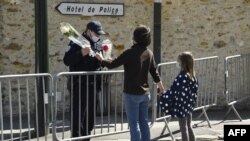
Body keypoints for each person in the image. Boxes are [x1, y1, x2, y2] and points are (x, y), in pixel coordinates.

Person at [95, 25, 164, 141]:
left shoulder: (129, 52)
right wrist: (161, 87)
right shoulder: (149, 53)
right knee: (144, 123)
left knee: (134, 125)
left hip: (132, 94)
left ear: (135, 38)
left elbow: (112, 65)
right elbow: (154, 72)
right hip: (145, 94)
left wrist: (101, 59)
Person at [63, 21, 106, 140]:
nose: (99, 36)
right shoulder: (76, 42)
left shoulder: (98, 44)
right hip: (79, 85)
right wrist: (81, 53)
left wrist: (103, 60)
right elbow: (67, 60)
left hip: (94, 85)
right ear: (89, 31)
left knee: (91, 115)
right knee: (78, 115)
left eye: (99, 34)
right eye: (97, 34)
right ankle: (77, 137)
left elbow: (99, 64)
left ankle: (87, 136)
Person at [159, 52, 199, 141]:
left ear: (183, 63)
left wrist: (163, 95)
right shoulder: (192, 75)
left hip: (182, 106)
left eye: (179, 61)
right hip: (188, 106)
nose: (177, 62)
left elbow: (175, 91)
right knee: (188, 126)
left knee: (183, 128)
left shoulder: (182, 76)